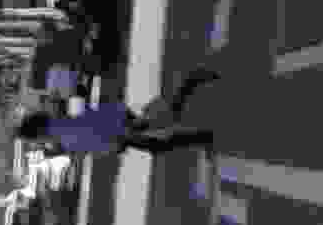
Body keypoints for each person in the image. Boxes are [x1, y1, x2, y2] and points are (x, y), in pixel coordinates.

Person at [22, 67, 227, 158]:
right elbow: (85, 111)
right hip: (118, 121)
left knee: (163, 131)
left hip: (120, 128)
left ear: (38, 132)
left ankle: (192, 82)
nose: (38, 143)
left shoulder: (61, 131)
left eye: (35, 140)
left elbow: (90, 135)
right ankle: (202, 135)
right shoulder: (58, 120)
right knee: (160, 136)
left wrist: (114, 144)